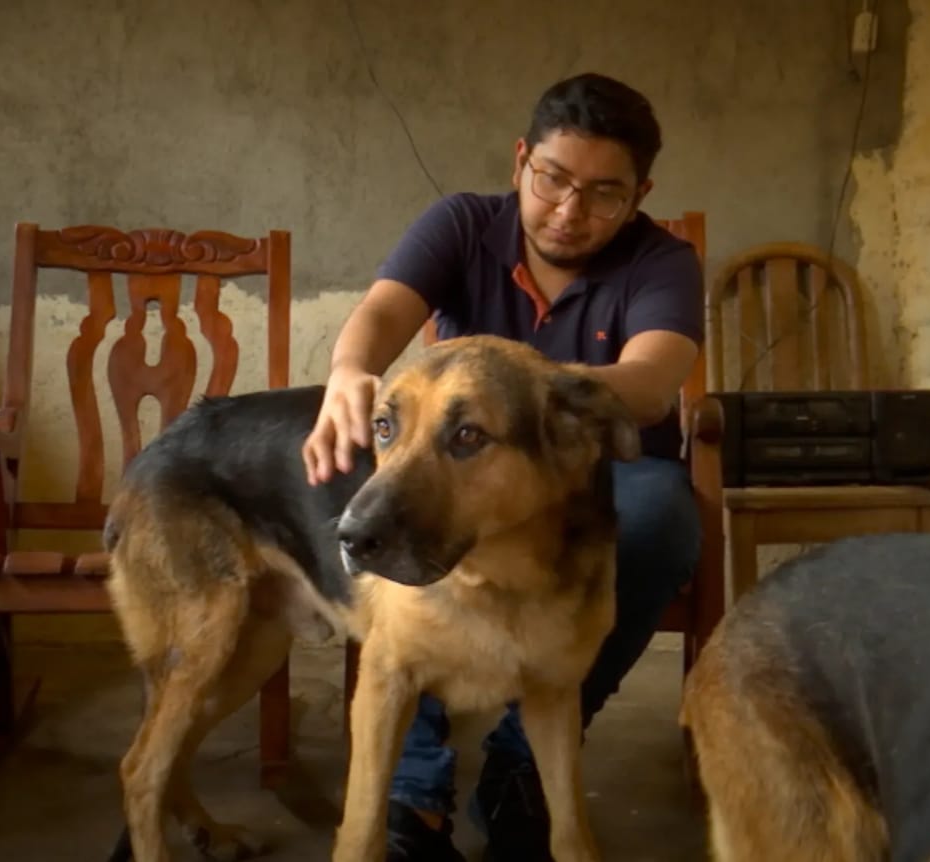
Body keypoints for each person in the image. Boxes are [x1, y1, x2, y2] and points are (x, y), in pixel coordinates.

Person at [301, 72, 705, 861]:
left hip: (600, 480)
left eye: (601, 193)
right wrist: (350, 370)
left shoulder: (663, 261)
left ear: (638, 194)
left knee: (662, 514)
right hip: (464, 473)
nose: (568, 210)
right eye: (552, 178)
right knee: (396, 506)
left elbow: (654, 383)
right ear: (521, 160)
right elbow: (384, 312)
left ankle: (522, 763)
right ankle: (413, 792)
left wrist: (540, 392)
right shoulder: (461, 223)